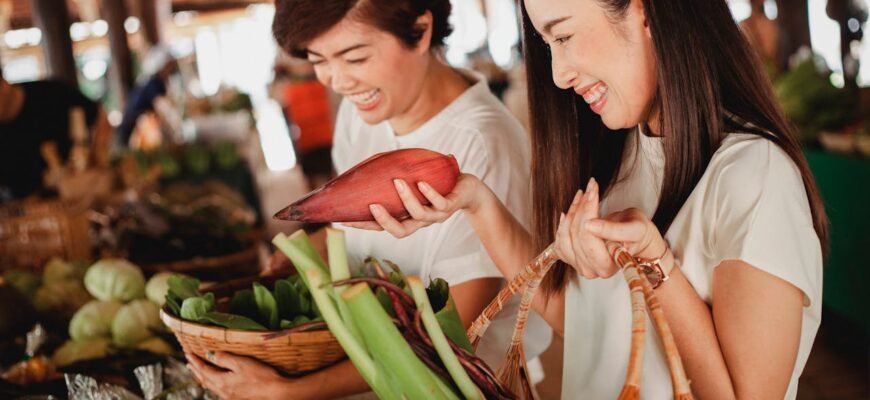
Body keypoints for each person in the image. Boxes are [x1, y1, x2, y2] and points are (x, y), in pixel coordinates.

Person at [356, 0, 827, 398]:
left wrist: (655, 260)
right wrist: (476, 201)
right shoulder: (623, 151)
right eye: (546, 46)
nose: (558, 75)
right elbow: (585, 325)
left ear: (643, 14)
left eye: (562, 38)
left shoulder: (755, 175)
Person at [185, 0, 552, 398]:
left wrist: (291, 390)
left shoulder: (483, 144)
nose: (337, 80)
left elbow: (454, 335)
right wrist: (308, 250)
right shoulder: (359, 114)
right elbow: (356, 227)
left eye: (354, 57)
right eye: (317, 59)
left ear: (420, 29)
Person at [0, 76, 111, 201]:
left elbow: (100, 118)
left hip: (80, 194)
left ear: (4, 85)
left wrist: (97, 156)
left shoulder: (51, 94)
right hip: (28, 210)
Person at [116, 47, 180, 145]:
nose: (171, 69)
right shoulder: (154, 82)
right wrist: (175, 119)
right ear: (162, 66)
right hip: (133, 132)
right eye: (169, 65)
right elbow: (162, 106)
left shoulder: (155, 82)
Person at [739, 0, 780, 78]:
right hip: (757, 74)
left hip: (773, 73)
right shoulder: (745, 26)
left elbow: (774, 52)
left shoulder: (770, 23)